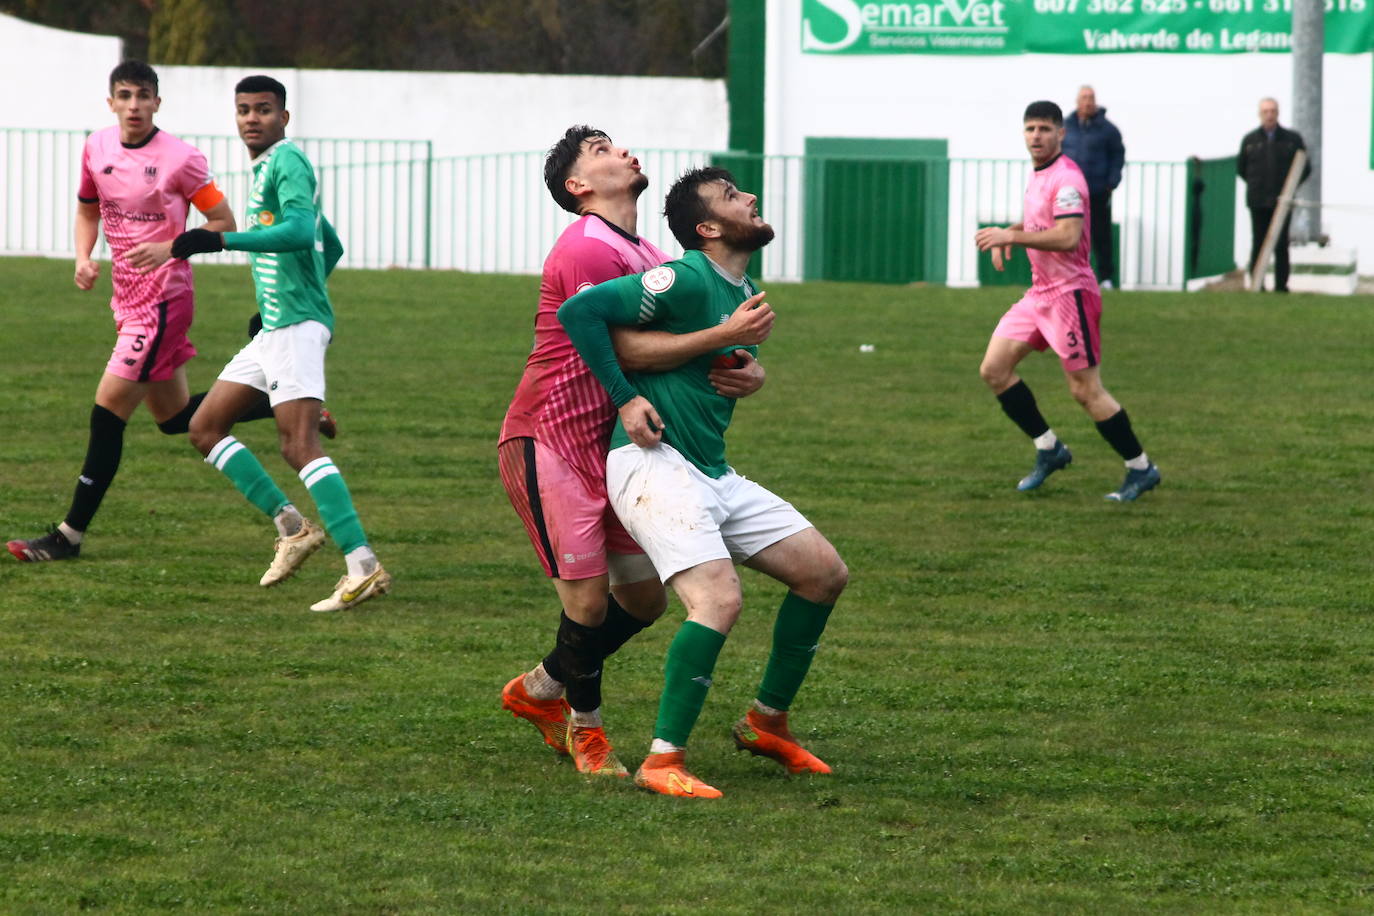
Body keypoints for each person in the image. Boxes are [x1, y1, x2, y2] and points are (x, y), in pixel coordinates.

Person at [558, 166, 848, 799]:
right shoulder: (685, 275)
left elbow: (713, 356)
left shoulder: (742, 285)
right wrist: (626, 399)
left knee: (824, 572)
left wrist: (752, 371)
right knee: (717, 600)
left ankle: (766, 720)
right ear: (709, 227)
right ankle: (663, 760)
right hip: (652, 463)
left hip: (712, 470)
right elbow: (581, 311)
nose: (750, 197)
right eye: (732, 196)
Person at [498, 127, 773, 777]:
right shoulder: (587, 249)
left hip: (615, 447)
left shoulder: (647, 248)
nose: (621, 151)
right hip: (551, 440)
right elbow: (621, 351)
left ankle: (540, 689)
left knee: (645, 600)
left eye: (615, 144)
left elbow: (689, 340)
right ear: (579, 187)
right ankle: (586, 730)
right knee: (590, 602)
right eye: (600, 151)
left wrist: (745, 364)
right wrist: (632, 393)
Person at [6, 61, 241, 562]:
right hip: (127, 297)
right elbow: (89, 209)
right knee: (175, 418)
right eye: (125, 96)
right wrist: (84, 258)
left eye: (143, 96)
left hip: (164, 300)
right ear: (110, 102)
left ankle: (68, 536)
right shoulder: (96, 147)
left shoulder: (181, 159)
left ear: (158, 102)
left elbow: (223, 221)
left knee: (107, 412)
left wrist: (172, 247)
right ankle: (285, 403)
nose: (134, 105)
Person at [170, 74, 388, 612]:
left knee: (298, 446)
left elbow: (295, 231)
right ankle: (293, 528)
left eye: (263, 109)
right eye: (243, 109)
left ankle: (364, 566)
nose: (251, 118)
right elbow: (326, 241)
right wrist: (292, 290)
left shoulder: (288, 161)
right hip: (279, 323)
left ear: (283, 117)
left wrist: (219, 239)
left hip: (294, 326)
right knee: (204, 426)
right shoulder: (267, 167)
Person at [974, 101, 1160, 502]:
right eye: (1030, 129)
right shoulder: (1039, 174)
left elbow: (1068, 236)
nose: (1036, 136)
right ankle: (1049, 449)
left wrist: (1011, 238)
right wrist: (1013, 229)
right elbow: (1042, 221)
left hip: (1069, 296)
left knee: (1085, 390)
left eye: (1044, 129)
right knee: (994, 369)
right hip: (1039, 294)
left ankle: (1141, 468)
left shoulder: (1068, 178)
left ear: (1062, 134)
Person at [1238, 97, 1310, 293]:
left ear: (1278, 113)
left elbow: (1304, 167)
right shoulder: (1250, 141)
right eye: (1265, 111)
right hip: (1258, 201)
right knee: (1259, 241)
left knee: (1281, 243)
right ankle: (1257, 284)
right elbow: (1242, 168)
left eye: (1273, 111)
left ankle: (1281, 285)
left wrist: (1289, 190)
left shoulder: (1291, 140)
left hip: (1283, 201)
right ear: (1260, 114)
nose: (1269, 115)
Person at [1061, 86, 1124, 290]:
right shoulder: (1065, 127)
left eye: (1091, 98)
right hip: (1070, 193)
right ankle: (1069, 276)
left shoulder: (1108, 130)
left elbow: (1117, 157)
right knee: (1068, 233)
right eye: (1084, 98)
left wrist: (1111, 183)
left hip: (1097, 191)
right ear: (1077, 101)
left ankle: (1105, 278)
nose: (1088, 102)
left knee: (1101, 235)